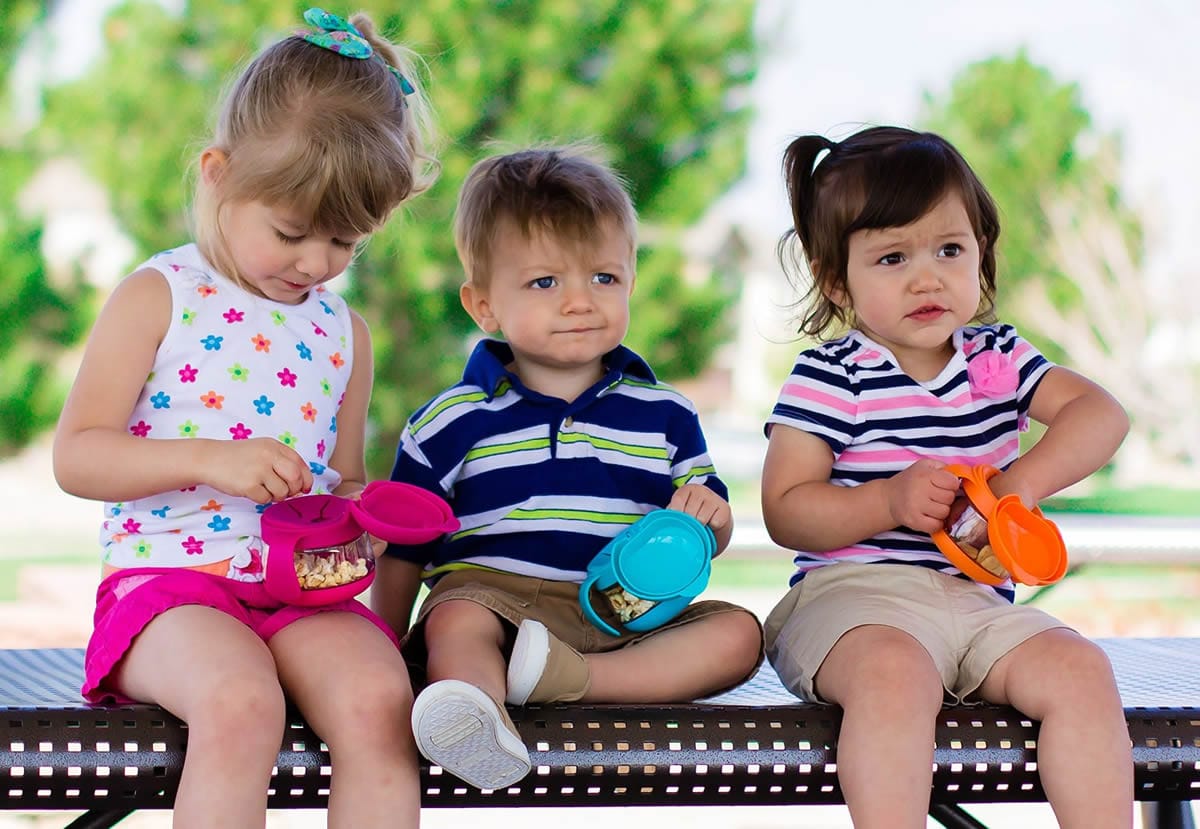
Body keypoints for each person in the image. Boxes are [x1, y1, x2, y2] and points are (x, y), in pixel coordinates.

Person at [52, 9, 437, 827]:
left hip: (304, 594)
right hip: (169, 587)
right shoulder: (160, 296)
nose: (316, 264)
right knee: (239, 703)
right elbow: (78, 457)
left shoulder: (343, 333)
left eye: (345, 242)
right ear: (219, 175)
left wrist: (359, 522)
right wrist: (212, 459)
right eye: (292, 232)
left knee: (380, 701)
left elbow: (347, 475)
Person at [759, 125, 1133, 828]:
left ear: (981, 253)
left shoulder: (998, 356)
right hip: (853, 602)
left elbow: (1101, 414)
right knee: (896, 674)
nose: (926, 276)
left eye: (949, 249)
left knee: (1081, 668)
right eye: (893, 256)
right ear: (838, 278)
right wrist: (887, 500)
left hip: (980, 602)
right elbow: (785, 509)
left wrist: (1018, 484)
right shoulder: (831, 375)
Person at [371, 145, 765, 792]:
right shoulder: (449, 419)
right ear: (483, 306)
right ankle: (477, 715)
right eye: (545, 282)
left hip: (625, 612)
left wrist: (709, 518)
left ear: (632, 281)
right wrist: (382, 647)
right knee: (454, 620)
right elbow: (405, 548)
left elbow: (705, 524)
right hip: (494, 599)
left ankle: (574, 682)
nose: (580, 301)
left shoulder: (665, 413)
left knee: (738, 633)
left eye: (604, 278)